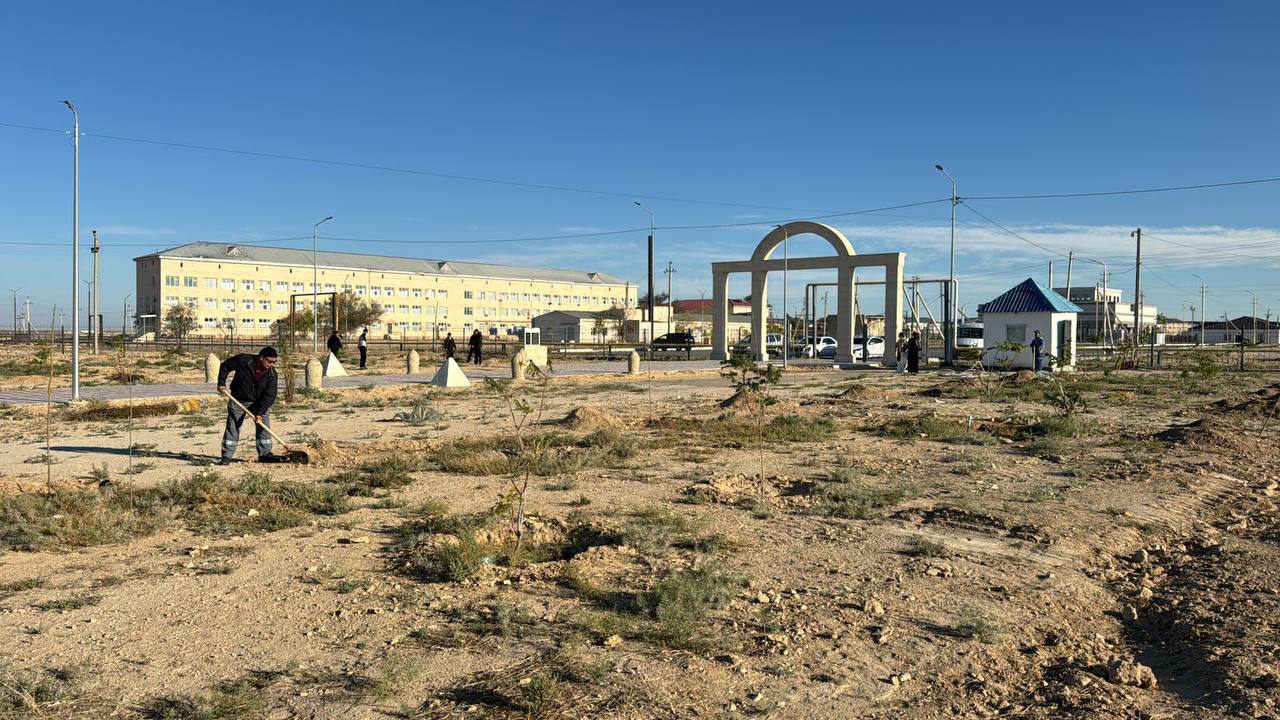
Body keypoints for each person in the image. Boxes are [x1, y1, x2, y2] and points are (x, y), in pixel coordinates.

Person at [216, 347, 280, 465]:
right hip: (238, 399)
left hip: (259, 402)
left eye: (274, 362)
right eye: (269, 361)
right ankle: (226, 455)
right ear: (261, 357)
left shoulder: (272, 374)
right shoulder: (243, 360)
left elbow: (269, 396)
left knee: (263, 425)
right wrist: (221, 383)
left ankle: (265, 454)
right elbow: (225, 366)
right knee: (233, 426)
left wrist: (260, 413)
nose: (271, 365)